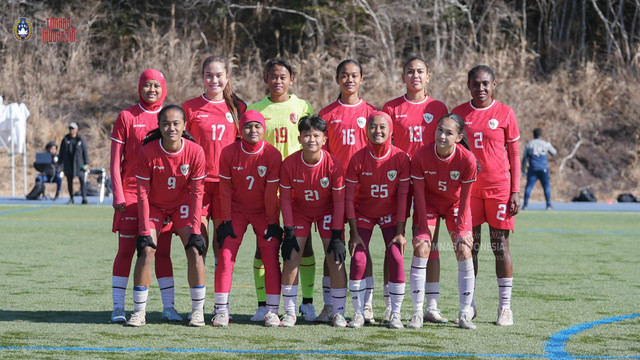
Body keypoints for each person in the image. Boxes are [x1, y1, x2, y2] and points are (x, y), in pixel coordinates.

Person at [248, 58, 318, 322]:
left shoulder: (302, 107)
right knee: (263, 247)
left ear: (292, 80)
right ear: (266, 79)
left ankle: (307, 303)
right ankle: (264, 304)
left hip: (298, 189)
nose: (278, 81)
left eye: (283, 77)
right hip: (267, 190)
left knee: (304, 247)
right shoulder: (256, 110)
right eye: (273, 76)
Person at [382, 56, 449, 324]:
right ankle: (390, 303)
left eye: (420, 71)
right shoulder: (391, 107)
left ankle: (430, 305)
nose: (415, 75)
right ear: (403, 77)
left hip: (429, 183)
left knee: (429, 244)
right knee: (394, 245)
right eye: (410, 71)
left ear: (428, 76)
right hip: (397, 181)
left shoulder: (438, 106)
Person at [452, 65, 521, 326]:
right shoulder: (458, 114)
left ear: (494, 85)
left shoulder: (505, 113)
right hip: (468, 191)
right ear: (468, 85)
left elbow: (514, 154)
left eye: (485, 84)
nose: (480, 88)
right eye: (475, 84)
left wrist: (515, 190)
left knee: (499, 247)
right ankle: (469, 305)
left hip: (499, 190)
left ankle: (505, 308)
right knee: (471, 247)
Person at [126, 105, 207, 327]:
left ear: (184, 126)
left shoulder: (195, 151)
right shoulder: (148, 151)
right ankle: (139, 311)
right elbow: (142, 193)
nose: (171, 128)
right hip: (155, 206)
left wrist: (196, 230)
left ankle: (197, 311)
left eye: (175, 123)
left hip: (182, 205)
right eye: (165, 123)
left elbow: (197, 192)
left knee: (195, 249)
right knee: (147, 249)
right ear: (159, 127)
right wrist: (144, 230)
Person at [109, 69, 179, 323]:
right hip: (130, 194)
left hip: (160, 197)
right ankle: (118, 307)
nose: (152, 90)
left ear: (164, 88)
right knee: (126, 251)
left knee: (161, 252)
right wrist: (118, 193)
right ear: (140, 87)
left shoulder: (170, 117)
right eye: (147, 85)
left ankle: (169, 307)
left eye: (156, 86)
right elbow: (115, 160)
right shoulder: (126, 116)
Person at [317, 59, 378, 323]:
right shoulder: (327, 113)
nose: (349, 80)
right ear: (337, 79)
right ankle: (330, 305)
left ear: (362, 79)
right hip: (333, 193)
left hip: (363, 193)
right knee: (332, 249)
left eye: (354, 75)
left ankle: (367, 305)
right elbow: (321, 155)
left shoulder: (372, 113)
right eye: (344, 75)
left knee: (362, 248)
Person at [212, 110, 283, 327]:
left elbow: (271, 193)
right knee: (225, 257)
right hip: (236, 212)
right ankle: (221, 311)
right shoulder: (228, 152)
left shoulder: (272, 154)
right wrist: (225, 219)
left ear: (264, 128)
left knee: (270, 258)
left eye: (257, 126)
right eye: (248, 127)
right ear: (240, 130)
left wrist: (272, 222)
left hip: (264, 213)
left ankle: (271, 311)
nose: (253, 131)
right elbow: (224, 189)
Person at [410, 113, 478, 330]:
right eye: (440, 130)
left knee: (464, 249)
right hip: (428, 204)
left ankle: (465, 313)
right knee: (422, 248)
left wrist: (462, 230)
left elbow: (466, 200)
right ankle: (417, 313)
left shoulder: (467, 159)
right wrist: (422, 229)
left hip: (454, 206)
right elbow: (419, 196)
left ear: (458, 138)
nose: (442, 135)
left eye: (449, 133)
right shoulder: (421, 155)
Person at [279, 115, 347, 327]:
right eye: (307, 135)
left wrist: (337, 234)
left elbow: (338, 203)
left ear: (324, 139)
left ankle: (338, 312)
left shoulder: (333, 165)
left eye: (316, 135)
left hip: (327, 212)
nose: (311, 140)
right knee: (291, 257)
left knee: (335, 259)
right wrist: (289, 231)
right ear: (299, 138)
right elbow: (287, 201)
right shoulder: (289, 164)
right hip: (300, 212)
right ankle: (290, 313)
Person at [345, 112, 410, 329]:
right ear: (366, 130)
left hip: (391, 216)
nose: (378, 131)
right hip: (363, 214)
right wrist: (353, 233)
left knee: (396, 257)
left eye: (383, 127)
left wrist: (401, 231)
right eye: (373, 127)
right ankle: (358, 312)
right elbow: (348, 197)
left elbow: (403, 197)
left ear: (391, 130)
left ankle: (395, 313)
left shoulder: (400, 158)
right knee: (359, 258)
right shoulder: (357, 158)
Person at [183, 55, 246, 270]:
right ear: (202, 77)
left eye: (219, 75)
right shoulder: (190, 108)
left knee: (222, 242)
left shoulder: (237, 108)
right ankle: (198, 301)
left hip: (225, 185)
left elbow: (242, 148)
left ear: (227, 77)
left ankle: (220, 302)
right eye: (209, 76)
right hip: (198, 184)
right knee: (198, 241)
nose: (214, 80)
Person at [522, 128, 557, 210]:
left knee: (529, 187)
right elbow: (554, 153)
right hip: (543, 168)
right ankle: (548, 205)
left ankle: (525, 205)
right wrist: (549, 144)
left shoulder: (529, 144)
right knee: (546, 187)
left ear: (533, 135)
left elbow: (524, 157)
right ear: (541, 135)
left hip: (533, 168)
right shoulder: (545, 144)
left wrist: (523, 168)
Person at [58, 122, 90, 204]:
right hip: (69, 164)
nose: (71, 130)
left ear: (76, 130)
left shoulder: (80, 139)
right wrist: (59, 163)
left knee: (82, 181)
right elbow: (61, 152)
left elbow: (85, 152)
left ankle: (84, 198)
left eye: (73, 128)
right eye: (70, 128)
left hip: (79, 164)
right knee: (69, 182)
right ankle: (71, 198)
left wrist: (87, 163)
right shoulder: (65, 139)